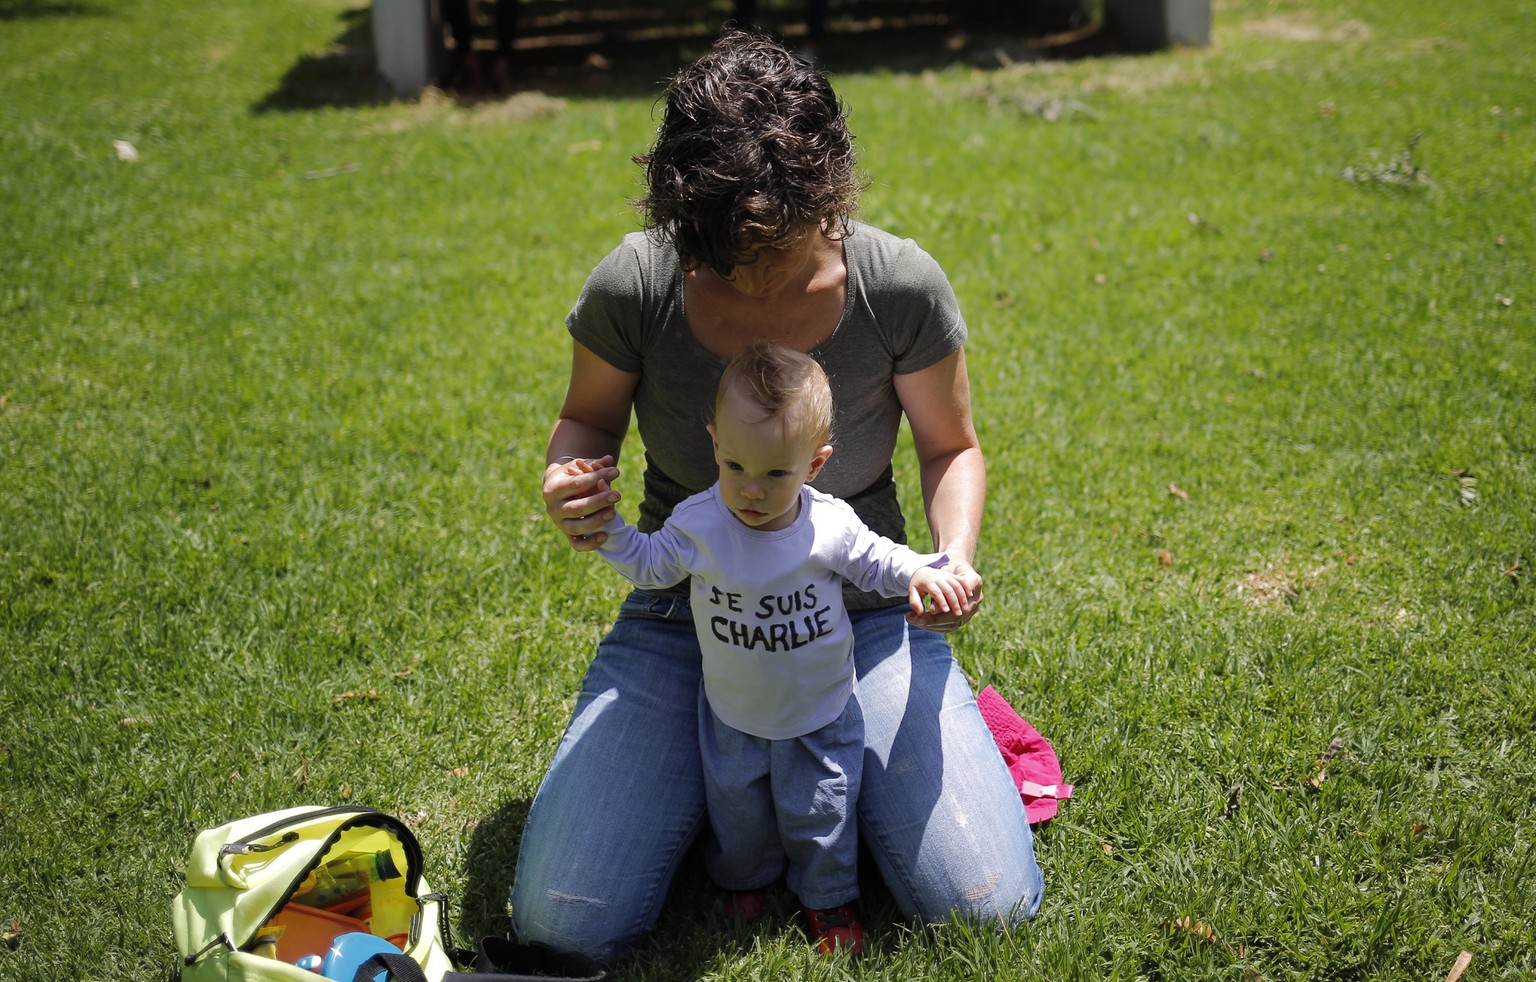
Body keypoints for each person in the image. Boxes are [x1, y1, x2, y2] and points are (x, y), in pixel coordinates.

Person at [514, 30, 1044, 963]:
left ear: (831, 194)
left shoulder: (898, 286)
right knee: (563, 919)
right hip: (685, 614)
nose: (753, 279)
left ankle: (846, 779)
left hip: (865, 614)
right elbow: (585, 422)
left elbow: (951, 445)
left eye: (780, 251)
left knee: (984, 907)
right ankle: (733, 802)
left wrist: (950, 559)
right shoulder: (636, 282)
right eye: (724, 256)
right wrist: (571, 481)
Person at [575, 340, 974, 955]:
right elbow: (652, 564)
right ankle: (745, 879)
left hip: (821, 710)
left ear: (814, 465)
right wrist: (607, 532)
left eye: (775, 474)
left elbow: (878, 562)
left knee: (821, 807)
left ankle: (828, 896)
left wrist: (925, 571)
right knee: (738, 806)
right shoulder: (699, 522)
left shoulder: (829, 525)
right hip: (733, 709)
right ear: (714, 443)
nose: (751, 491)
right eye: (734, 466)